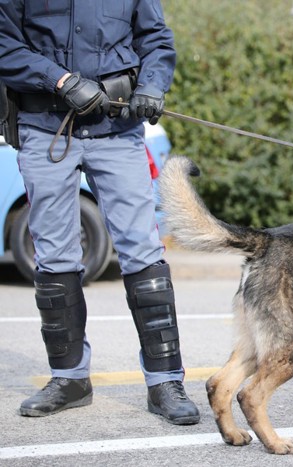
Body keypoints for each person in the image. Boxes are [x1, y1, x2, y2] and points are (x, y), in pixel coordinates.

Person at [0, 0, 200, 425]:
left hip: (118, 129)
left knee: (144, 252)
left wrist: (152, 85)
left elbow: (156, 39)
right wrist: (60, 80)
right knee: (53, 256)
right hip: (45, 127)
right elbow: (3, 43)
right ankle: (69, 380)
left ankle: (165, 381)